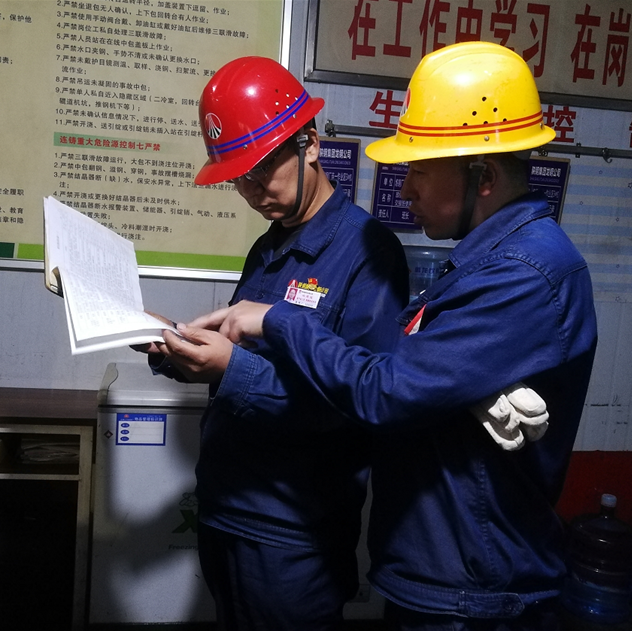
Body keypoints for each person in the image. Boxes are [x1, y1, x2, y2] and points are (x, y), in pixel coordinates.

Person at [159, 42, 598, 630]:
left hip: (464, 586)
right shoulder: (479, 265)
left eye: (418, 170)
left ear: (485, 176)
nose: (405, 189)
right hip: (435, 571)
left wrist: (273, 326)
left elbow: (379, 392)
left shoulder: (522, 275)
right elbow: (413, 382)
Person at [142, 56, 410, 629]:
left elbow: (362, 401)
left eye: (262, 169)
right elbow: (242, 356)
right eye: (238, 177)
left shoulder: (369, 253)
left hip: (294, 536)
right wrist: (176, 347)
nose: (252, 190)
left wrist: (228, 369)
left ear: (309, 144)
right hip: (226, 509)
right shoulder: (267, 248)